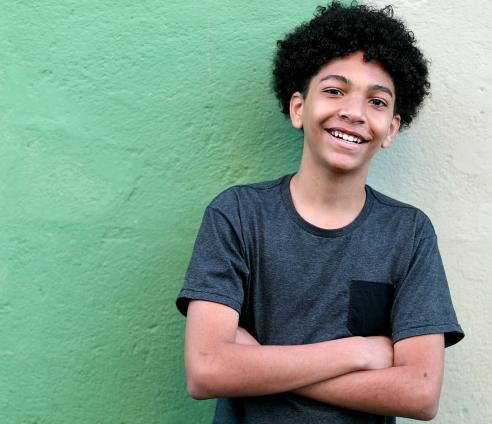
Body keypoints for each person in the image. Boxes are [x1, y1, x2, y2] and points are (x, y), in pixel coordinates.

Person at [176, 2, 464, 423]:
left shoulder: (409, 233)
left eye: (377, 101)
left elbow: (420, 393)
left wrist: (254, 365)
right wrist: (359, 352)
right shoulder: (237, 214)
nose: (354, 112)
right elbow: (205, 371)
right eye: (334, 90)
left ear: (391, 129)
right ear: (298, 108)